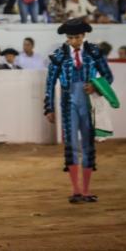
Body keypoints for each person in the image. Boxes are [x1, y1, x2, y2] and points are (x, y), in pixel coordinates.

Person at [44, 19, 113, 203]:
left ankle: (86, 190)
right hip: (68, 101)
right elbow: (50, 83)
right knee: (72, 145)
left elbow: (108, 76)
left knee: (88, 146)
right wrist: (48, 107)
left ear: (83, 36)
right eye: (70, 38)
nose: (73, 41)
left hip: (88, 101)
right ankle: (76, 190)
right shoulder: (58, 55)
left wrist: (96, 87)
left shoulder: (94, 52)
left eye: (77, 37)